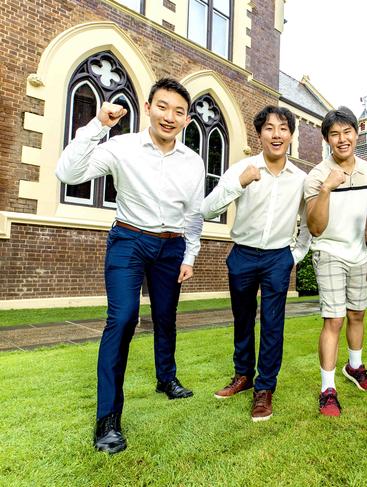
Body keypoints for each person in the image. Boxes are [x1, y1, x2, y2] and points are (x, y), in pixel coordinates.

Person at [56, 78, 205, 454]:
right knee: (122, 319)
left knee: (166, 317)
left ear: (187, 120)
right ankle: (108, 421)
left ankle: (166, 379)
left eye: (178, 111)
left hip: (171, 248)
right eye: (162, 106)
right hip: (128, 241)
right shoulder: (120, 147)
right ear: (148, 106)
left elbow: (194, 215)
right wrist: (97, 126)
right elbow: (68, 174)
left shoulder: (193, 161)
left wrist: (189, 255)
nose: (169, 116)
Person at [202, 106, 311, 422]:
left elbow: (308, 224)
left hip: (278, 256)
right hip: (243, 254)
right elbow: (207, 210)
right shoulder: (242, 168)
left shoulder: (301, 179)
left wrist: (295, 255)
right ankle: (243, 375)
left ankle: (265, 389)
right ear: (259, 133)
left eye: (283, 129)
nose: (276, 134)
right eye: (269, 128)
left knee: (273, 324)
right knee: (242, 318)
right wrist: (240, 184)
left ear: (290, 135)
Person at [304, 107, 367, 417]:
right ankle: (328, 389)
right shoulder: (316, 176)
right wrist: (327, 189)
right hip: (329, 251)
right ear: (327, 140)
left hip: (358, 254)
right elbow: (315, 228)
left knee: (357, 315)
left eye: (346, 132)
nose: (342, 139)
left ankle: (355, 367)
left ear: (356, 134)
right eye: (334, 134)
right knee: (334, 319)